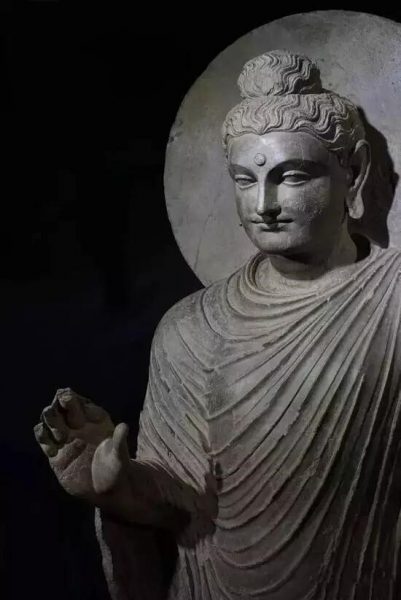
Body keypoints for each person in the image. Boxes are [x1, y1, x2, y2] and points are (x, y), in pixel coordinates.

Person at [34, 50, 401, 599]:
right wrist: (117, 486)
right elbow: (183, 502)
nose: (264, 204)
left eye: (291, 176)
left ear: (354, 172)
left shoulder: (394, 301)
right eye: (245, 179)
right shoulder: (191, 329)